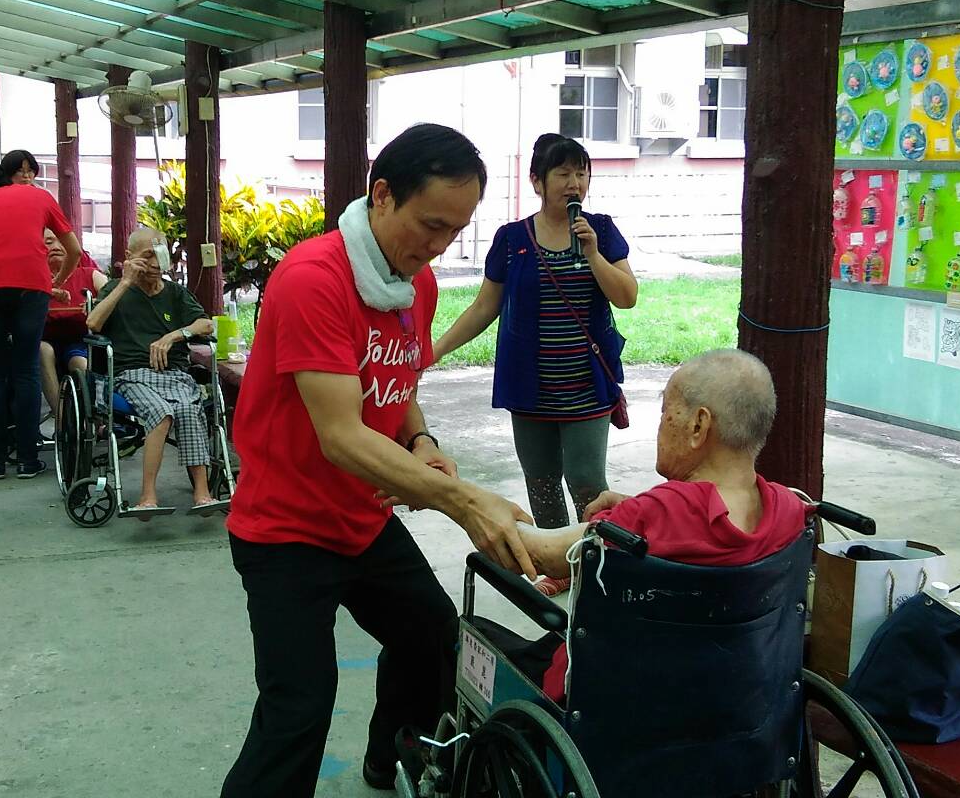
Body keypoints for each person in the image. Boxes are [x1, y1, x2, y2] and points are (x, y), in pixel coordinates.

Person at [221, 124, 536, 797]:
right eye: (430, 224)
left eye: (456, 231)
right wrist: (461, 501)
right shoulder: (313, 279)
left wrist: (422, 442)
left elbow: (398, 385)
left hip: (361, 519)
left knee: (434, 639)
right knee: (298, 708)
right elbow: (340, 435)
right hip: (287, 531)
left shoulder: (412, 287)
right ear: (382, 194)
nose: (438, 246)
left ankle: (392, 751)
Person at [506, 349, 806, 703]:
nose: (661, 425)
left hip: (622, 698)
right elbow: (697, 523)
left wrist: (471, 503)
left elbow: (546, 555)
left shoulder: (653, 516)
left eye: (666, 412)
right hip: (732, 698)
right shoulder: (792, 510)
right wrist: (634, 510)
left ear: (699, 425)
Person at [434, 134, 638, 594]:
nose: (575, 183)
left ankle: (597, 562)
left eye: (581, 173)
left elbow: (626, 297)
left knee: (587, 482)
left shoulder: (601, 231)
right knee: (542, 484)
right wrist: (437, 349)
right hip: (530, 390)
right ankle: (561, 568)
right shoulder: (511, 240)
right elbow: (485, 307)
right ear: (537, 181)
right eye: (563, 173)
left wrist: (592, 255)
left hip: (586, 387)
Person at [0, 151, 82, 479]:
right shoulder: (41, 197)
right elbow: (73, 250)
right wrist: (55, 281)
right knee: (27, 370)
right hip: (30, 283)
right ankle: (29, 459)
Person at [86, 227, 215, 511]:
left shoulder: (175, 293)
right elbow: (93, 324)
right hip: (131, 375)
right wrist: (124, 284)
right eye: (148, 256)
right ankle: (147, 497)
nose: (156, 264)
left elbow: (205, 324)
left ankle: (203, 494)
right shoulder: (115, 290)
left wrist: (174, 336)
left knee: (188, 410)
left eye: (160, 255)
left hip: (175, 375)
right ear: (130, 257)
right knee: (161, 412)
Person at [41, 230, 105, 421]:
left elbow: (111, 294)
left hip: (80, 340)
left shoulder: (89, 274)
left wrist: (98, 304)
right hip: (45, 340)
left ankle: (94, 418)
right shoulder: (34, 280)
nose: (56, 247)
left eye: (63, 243)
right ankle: (62, 421)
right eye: (49, 242)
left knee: (80, 363)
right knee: (42, 351)